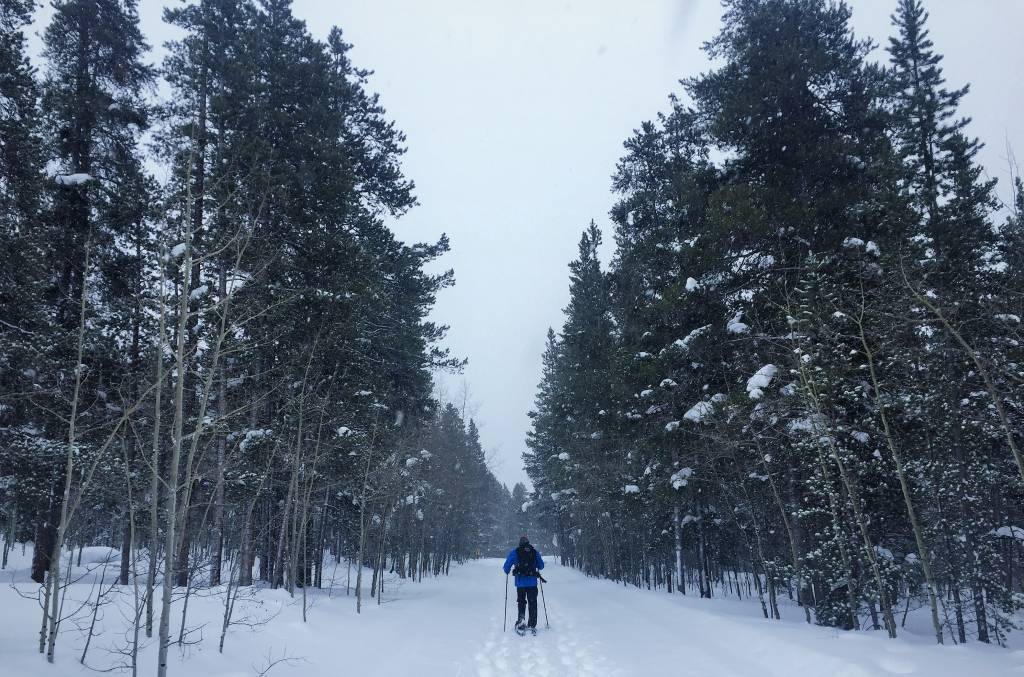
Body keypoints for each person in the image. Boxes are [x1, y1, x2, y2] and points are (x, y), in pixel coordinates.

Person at [503, 535, 545, 634]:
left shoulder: (515, 552)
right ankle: (532, 624)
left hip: (520, 583)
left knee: (521, 602)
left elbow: (506, 568)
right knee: (532, 603)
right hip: (532, 583)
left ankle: (521, 620)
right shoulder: (534, 552)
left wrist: (509, 570)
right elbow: (541, 566)